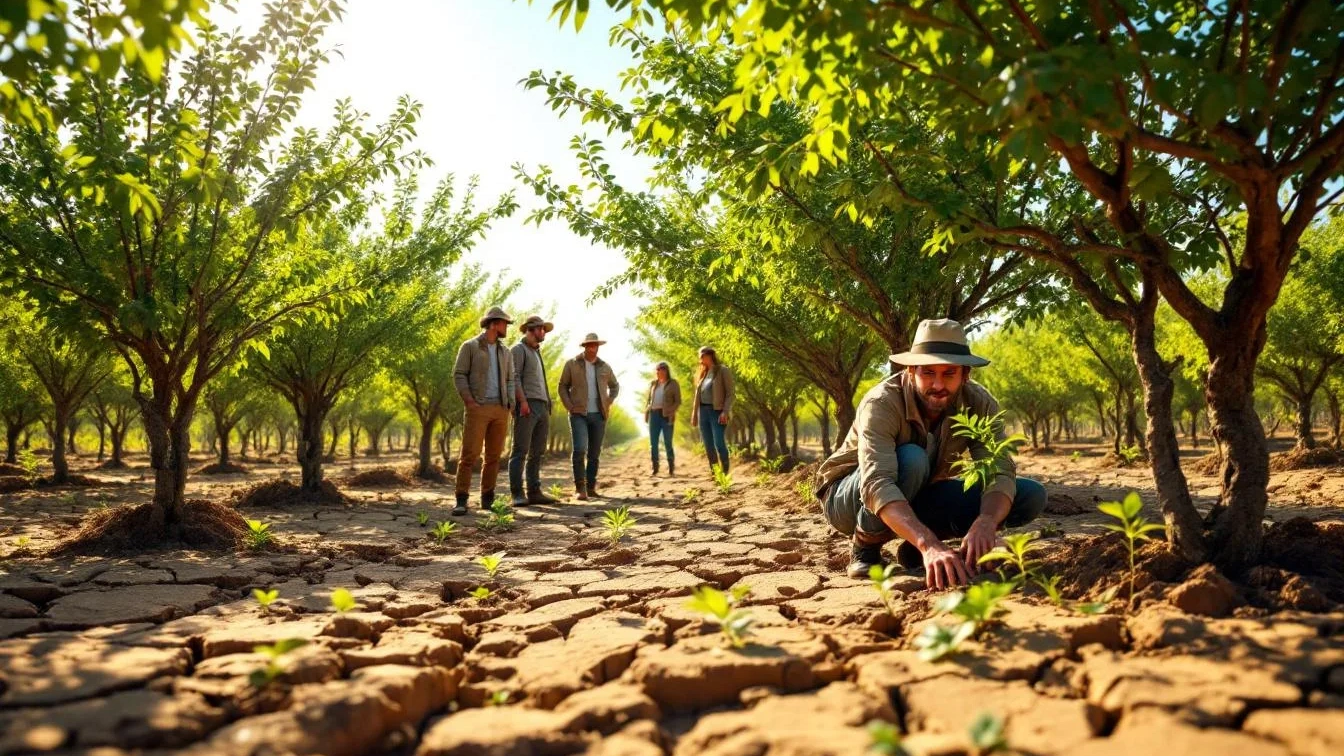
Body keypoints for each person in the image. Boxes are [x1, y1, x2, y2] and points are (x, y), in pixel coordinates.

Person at [813, 319, 1048, 587]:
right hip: (847, 498)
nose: (938, 384)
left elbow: (999, 469)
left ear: (965, 374)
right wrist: (930, 545)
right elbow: (877, 483)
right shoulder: (882, 403)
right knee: (912, 459)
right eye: (928, 373)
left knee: (1029, 495)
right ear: (911, 371)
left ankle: (912, 548)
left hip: (918, 491)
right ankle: (866, 548)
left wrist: (986, 522)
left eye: (949, 373)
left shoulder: (979, 403)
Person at [451, 306, 516, 516]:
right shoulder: (470, 346)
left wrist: (510, 403)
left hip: (500, 409)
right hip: (478, 407)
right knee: (469, 455)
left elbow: (510, 379)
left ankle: (488, 500)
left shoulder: (505, 352)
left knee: (494, 457)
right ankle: (461, 499)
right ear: (494, 324)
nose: (506, 327)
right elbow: (459, 374)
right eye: (505, 323)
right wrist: (469, 400)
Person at [557, 333, 620, 501]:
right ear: (585, 346)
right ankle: (580, 488)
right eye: (590, 345)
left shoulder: (605, 367)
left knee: (594, 453)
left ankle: (591, 487)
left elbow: (615, 386)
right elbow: (562, 386)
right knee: (579, 450)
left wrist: (609, 401)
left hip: (599, 415)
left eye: (596, 345)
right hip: (579, 414)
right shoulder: (572, 364)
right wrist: (570, 406)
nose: (593, 348)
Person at [509, 315, 559, 506]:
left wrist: (547, 401)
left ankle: (534, 491)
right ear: (531, 329)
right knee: (520, 449)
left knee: (537, 451)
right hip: (527, 404)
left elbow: (540, 380)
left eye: (544, 329)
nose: (544, 332)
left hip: (541, 405)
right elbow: (515, 377)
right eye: (541, 329)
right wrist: (521, 401)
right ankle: (517, 493)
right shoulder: (518, 350)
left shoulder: (537, 352)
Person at [690, 346, 734, 474]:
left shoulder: (723, 371)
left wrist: (725, 411)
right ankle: (715, 472)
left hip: (717, 412)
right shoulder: (702, 374)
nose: (700, 358)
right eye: (700, 356)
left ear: (710, 355)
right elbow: (697, 396)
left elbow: (731, 394)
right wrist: (694, 414)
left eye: (702, 355)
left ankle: (725, 472)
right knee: (708, 445)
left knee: (719, 443)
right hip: (703, 412)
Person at [644, 361, 681, 476]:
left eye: (662, 369)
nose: (659, 371)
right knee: (653, 443)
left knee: (667, 442)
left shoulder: (673, 383)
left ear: (666, 370)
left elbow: (678, 401)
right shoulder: (653, 384)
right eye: (658, 369)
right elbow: (649, 400)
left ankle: (671, 468)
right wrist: (646, 412)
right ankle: (655, 468)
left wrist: (671, 412)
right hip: (653, 415)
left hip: (666, 416)